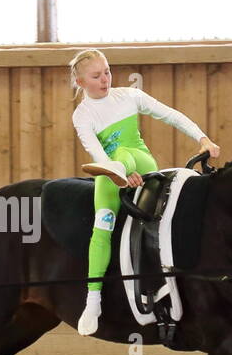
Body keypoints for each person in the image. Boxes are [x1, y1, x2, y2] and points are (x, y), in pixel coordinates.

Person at [68, 48, 221, 336]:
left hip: (140, 162)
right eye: (97, 76)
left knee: (123, 152)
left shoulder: (129, 96)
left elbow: (170, 115)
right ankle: (93, 299)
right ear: (80, 82)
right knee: (102, 225)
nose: (105, 79)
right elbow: (97, 153)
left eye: (108, 72)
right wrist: (119, 174)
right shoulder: (82, 115)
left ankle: (119, 169)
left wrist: (202, 138)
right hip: (112, 172)